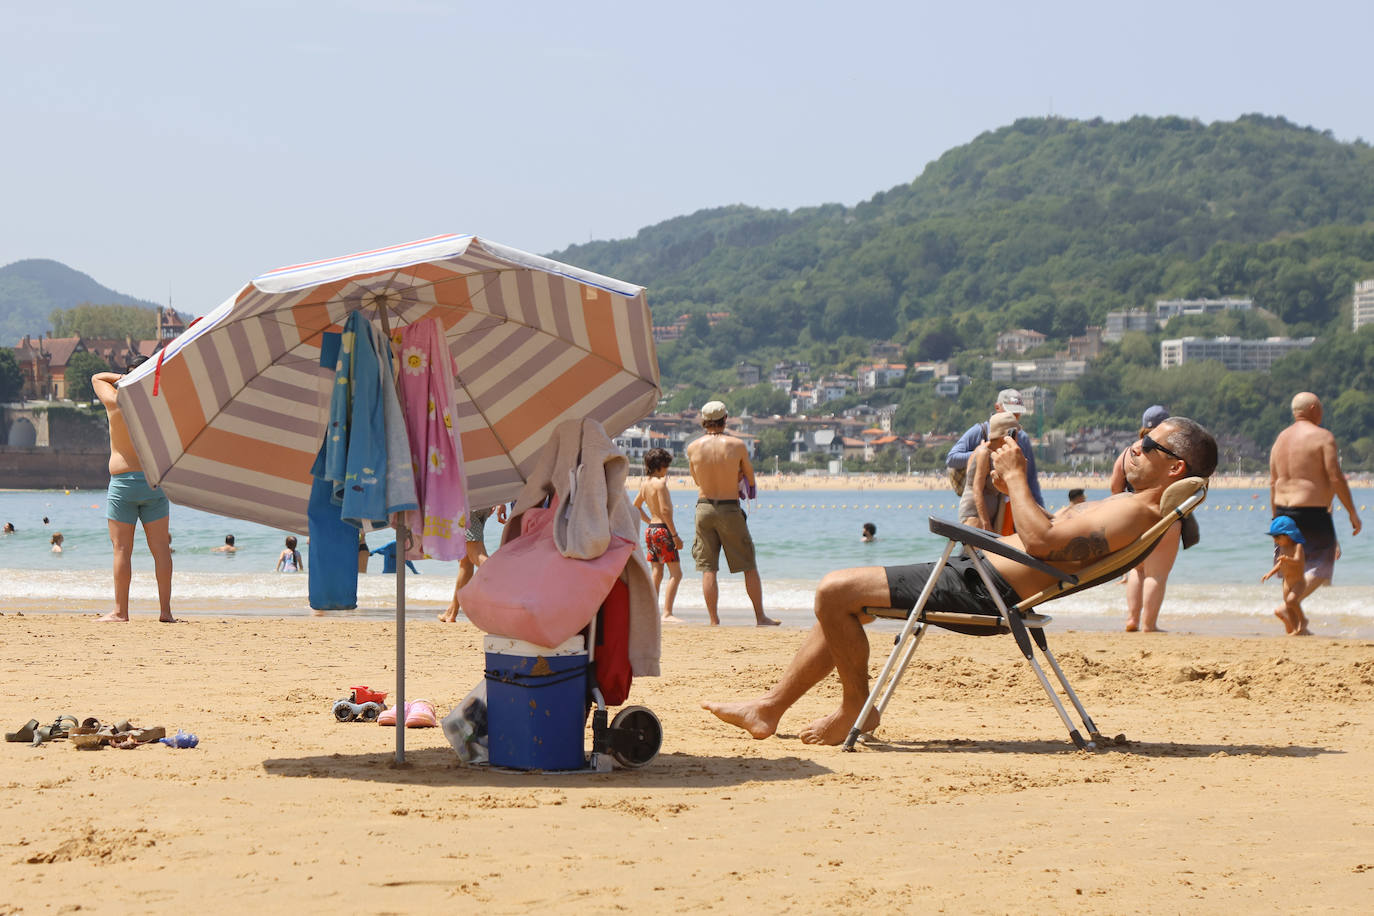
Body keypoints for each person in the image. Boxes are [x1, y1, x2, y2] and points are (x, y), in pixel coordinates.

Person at [703, 417, 1217, 745]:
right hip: (983, 574)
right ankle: (768, 709)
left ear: (1173, 468)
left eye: (1146, 443)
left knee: (834, 590)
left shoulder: (1134, 511)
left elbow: (1039, 543)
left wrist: (1015, 476)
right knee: (841, 603)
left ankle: (854, 707)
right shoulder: (1139, 506)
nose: (1134, 445)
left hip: (985, 589)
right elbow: (1055, 534)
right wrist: (1013, 486)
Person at [1268, 392, 1362, 634]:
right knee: (1322, 565)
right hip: (1310, 510)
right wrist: (1352, 511)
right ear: (1313, 408)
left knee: (1290, 568)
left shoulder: (1280, 439)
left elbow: (1273, 482)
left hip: (1282, 509)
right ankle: (1288, 605)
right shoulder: (1322, 437)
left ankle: (1295, 624)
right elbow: (1335, 477)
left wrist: (1275, 518)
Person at [92, 358, 176, 623]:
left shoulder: (116, 402)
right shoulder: (158, 405)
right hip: (153, 481)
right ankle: (165, 612)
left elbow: (97, 378)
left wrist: (126, 378)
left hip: (123, 484)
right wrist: (148, 378)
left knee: (121, 549)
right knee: (161, 549)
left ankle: (121, 612)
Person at [686, 401, 779, 627]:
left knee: (708, 568)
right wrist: (738, 479)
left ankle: (713, 620)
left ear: (703, 420)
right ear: (725, 419)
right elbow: (750, 477)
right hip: (729, 507)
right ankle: (760, 617)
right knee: (748, 564)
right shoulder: (737, 445)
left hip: (704, 506)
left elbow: (697, 479)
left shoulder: (693, 447)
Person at [1110, 405, 1182, 632]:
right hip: (1163, 514)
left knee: (1137, 569)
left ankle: (1132, 619)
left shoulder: (1128, 453)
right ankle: (1149, 625)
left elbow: (1115, 487)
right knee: (1156, 574)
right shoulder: (1171, 454)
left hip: (1133, 516)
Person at [946, 388, 1045, 508]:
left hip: (1011, 506)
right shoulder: (979, 431)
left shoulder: (1022, 438)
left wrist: (1040, 512)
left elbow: (1031, 481)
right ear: (997, 407)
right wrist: (981, 453)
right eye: (1010, 412)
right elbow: (951, 459)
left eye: (1017, 413)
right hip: (982, 505)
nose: (1013, 416)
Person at [634, 448, 684, 621]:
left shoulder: (645, 484)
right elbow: (665, 510)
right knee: (676, 574)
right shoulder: (660, 484)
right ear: (661, 466)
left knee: (657, 572)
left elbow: (636, 506)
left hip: (651, 530)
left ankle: (651, 611)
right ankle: (667, 613)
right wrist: (675, 535)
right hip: (663, 529)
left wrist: (649, 522)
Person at [439, 504, 508, 623]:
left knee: (476, 554)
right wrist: (499, 502)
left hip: (466, 506)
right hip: (483, 504)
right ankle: (451, 613)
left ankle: (509, 585)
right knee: (465, 562)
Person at [957, 412, 1019, 532]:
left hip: (990, 517)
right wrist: (986, 523)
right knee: (972, 551)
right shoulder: (984, 453)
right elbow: (977, 490)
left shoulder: (999, 454)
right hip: (975, 514)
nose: (1017, 439)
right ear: (1006, 436)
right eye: (1015, 434)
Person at [1261, 516, 1308, 635]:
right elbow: (1280, 563)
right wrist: (1270, 573)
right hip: (1286, 582)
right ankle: (1295, 629)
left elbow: (1299, 561)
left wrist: (1287, 559)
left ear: (1289, 535)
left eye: (1277, 537)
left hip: (1298, 582)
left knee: (1292, 600)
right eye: (1273, 537)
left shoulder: (1297, 547)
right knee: (1288, 606)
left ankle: (1303, 620)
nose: (1275, 540)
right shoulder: (1282, 547)